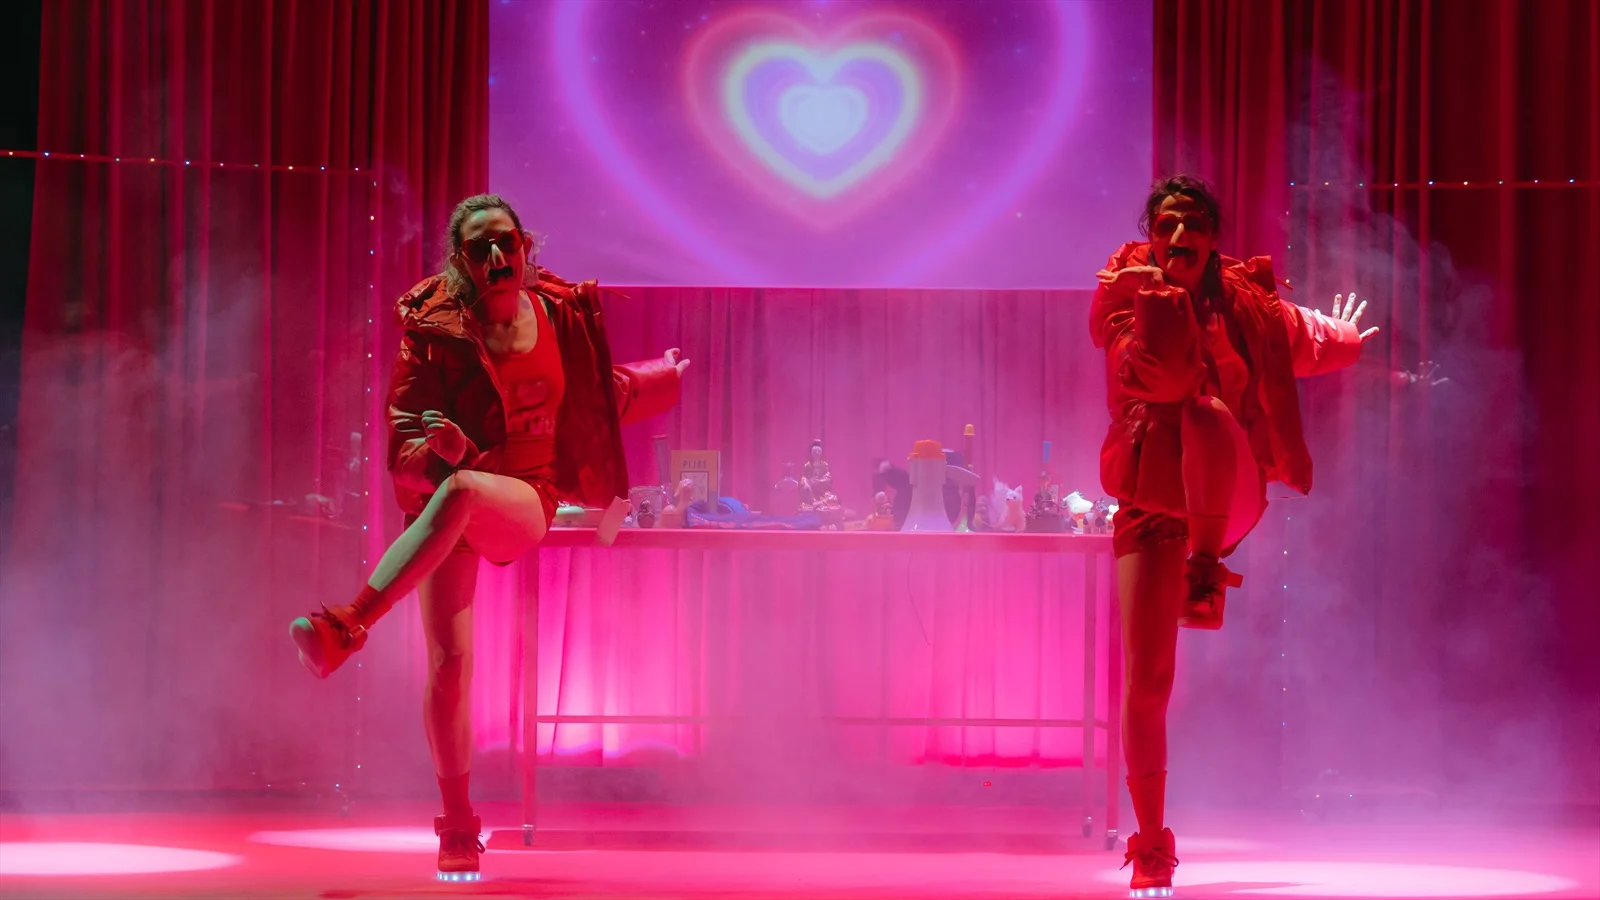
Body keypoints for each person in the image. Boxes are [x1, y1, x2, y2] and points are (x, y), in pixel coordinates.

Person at [289, 194, 687, 882]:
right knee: (449, 665)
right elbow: (403, 437)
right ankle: (458, 826)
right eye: (481, 249)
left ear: (526, 245)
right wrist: (438, 449)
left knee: (469, 490)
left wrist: (662, 381)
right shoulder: (435, 331)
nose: (498, 257)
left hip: (524, 496)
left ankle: (349, 625)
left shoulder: (559, 314)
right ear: (462, 262)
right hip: (446, 506)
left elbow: (596, 396)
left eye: (507, 242)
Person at [1089, 176, 1376, 898]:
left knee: (1207, 414)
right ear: (1152, 235)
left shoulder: (1244, 302)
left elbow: (1299, 339)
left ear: (1212, 236)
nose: (1177, 235)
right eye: (1165, 224)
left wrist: (1343, 339)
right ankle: (1151, 845)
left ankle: (1207, 570)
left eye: (1191, 223)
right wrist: (1158, 297)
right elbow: (1159, 376)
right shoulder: (1126, 302)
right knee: (1147, 680)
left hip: (1224, 498)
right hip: (1152, 503)